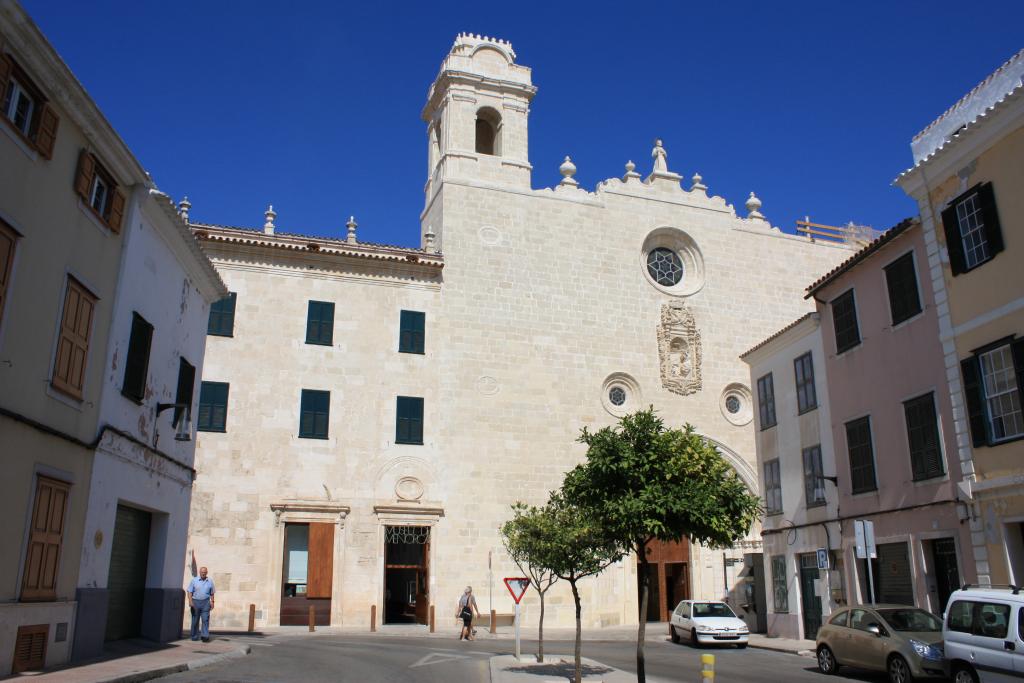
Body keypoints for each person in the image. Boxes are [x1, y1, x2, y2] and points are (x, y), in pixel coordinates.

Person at [188, 566, 216, 642]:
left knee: (205, 619)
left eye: (204, 572)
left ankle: (205, 636)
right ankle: (194, 636)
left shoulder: (210, 581)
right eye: (202, 572)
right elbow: (190, 591)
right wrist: (190, 601)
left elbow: (212, 593)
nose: (203, 573)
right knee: (195, 620)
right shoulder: (194, 580)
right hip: (195, 602)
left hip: (206, 603)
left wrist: (212, 602)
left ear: (206, 573)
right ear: (199, 572)